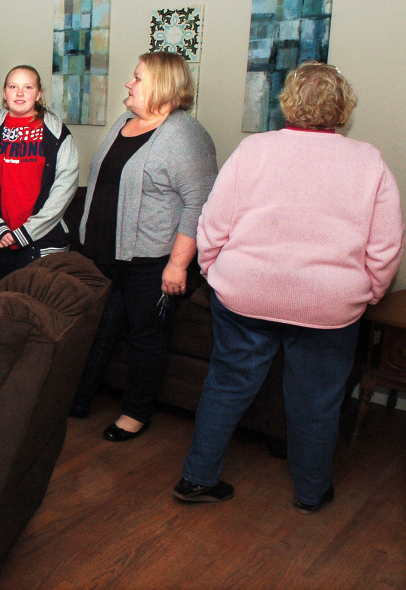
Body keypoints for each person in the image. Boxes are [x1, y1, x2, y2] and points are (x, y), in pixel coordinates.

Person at [173, 61, 404, 512]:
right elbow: (387, 245)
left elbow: (214, 222)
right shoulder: (368, 160)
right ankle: (311, 493)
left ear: (288, 103)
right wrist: (369, 292)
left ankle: (197, 480)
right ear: (343, 106)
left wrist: (215, 271)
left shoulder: (254, 149)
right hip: (330, 306)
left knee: (225, 386)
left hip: (244, 293)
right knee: (317, 402)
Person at [71, 52, 217, 442]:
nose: (128, 84)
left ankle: (136, 413)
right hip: (104, 254)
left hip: (150, 263)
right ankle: (79, 398)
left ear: (162, 86)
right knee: (97, 329)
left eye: (137, 78)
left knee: (146, 338)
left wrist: (178, 264)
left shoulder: (185, 135)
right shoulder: (124, 122)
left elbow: (200, 203)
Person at [0, 65, 79, 280]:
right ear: (4, 92)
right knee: (6, 306)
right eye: (13, 86)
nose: (19, 93)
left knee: (42, 309)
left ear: (38, 94)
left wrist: (29, 231)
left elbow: (66, 186)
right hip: (1, 240)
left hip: (44, 240)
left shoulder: (57, 134)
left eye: (28, 87)